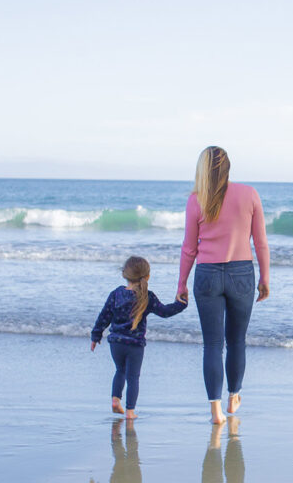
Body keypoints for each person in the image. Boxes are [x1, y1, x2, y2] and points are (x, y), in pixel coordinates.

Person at [177, 146, 270, 424]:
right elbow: (261, 242)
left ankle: (215, 410)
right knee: (236, 341)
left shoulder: (196, 199)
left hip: (206, 275)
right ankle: (233, 396)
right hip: (241, 273)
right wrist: (265, 277)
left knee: (212, 344)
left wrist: (181, 283)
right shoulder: (249, 194)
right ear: (228, 167)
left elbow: (188, 248)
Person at [91, 255, 188, 419]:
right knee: (133, 377)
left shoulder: (116, 294)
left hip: (116, 343)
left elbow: (104, 316)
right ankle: (130, 412)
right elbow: (165, 312)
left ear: (124, 274)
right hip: (135, 345)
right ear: (147, 276)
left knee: (120, 370)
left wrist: (96, 335)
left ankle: (115, 400)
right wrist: (182, 304)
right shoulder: (147, 296)